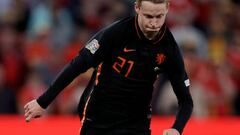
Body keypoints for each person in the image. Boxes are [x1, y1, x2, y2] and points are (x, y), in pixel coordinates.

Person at [24, 0, 193, 135]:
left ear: (168, 9)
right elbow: (77, 65)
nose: (154, 24)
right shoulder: (116, 33)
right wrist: (43, 102)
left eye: (159, 17)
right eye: (148, 16)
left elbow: (185, 100)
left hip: (136, 123)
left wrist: (177, 129)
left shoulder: (169, 49)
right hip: (98, 116)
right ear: (137, 8)